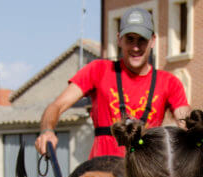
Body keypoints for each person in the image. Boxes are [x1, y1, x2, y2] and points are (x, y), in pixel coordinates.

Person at [35, 7, 190, 159]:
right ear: (119, 39)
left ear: (153, 41)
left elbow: (188, 126)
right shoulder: (98, 70)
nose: (136, 47)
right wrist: (47, 131)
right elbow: (56, 106)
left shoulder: (170, 82)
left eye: (142, 39)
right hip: (101, 175)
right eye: (130, 39)